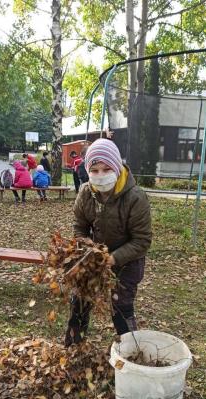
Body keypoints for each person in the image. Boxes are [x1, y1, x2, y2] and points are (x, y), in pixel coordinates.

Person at [64, 138, 152, 346]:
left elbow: (142, 240)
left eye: (106, 169)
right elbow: (80, 225)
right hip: (93, 257)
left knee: (120, 306)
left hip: (128, 262)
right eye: (94, 170)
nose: (100, 176)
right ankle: (73, 349)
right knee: (79, 301)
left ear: (117, 167)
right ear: (87, 170)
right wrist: (85, 247)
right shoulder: (86, 192)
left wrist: (113, 259)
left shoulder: (135, 198)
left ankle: (132, 354)